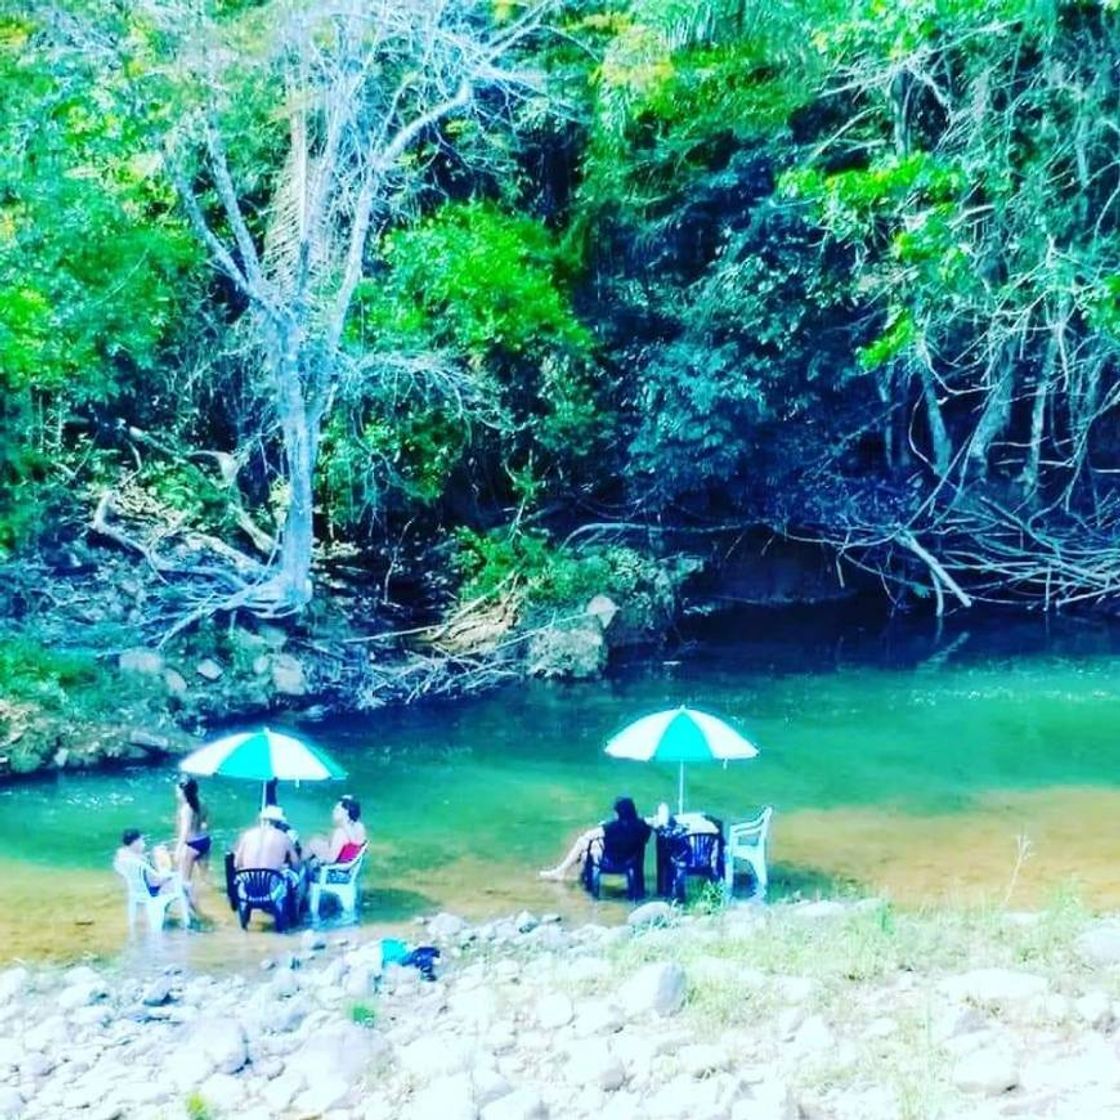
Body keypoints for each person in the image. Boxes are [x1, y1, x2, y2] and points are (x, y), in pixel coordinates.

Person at [539, 796, 651, 880]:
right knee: (588, 848)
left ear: (618, 813)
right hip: (630, 861)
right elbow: (650, 823)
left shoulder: (613, 827)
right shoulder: (643, 826)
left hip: (610, 861)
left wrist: (603, 826)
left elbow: (589, 835)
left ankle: (561, 871)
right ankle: (566, 872)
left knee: (583, 843)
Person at [234, 805, 306, 912]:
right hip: (272, 890)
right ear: (278, 822)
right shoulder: (284, 837)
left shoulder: (247, 835)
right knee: (302, 873)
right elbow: (296, 865)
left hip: (248, 890)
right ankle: (295, 913)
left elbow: (236, 864)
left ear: (263, 819)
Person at [304, 794, 367, 866]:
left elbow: (331, 859)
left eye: (337, 810)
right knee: (317, 838)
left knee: (312, 843)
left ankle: (296, 867)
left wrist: (318, 859)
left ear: (345, 812)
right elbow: (357, 842)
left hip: (336, 862)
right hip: (345, 857)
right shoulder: (358, 826)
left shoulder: (341, 832)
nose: (333, 811)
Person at [114, 828, 176, 897]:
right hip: (151, 893)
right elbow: (154, 883)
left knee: (158, 854)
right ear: (135, 842)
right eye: (141, 840)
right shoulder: (140, 861)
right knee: (178, 881)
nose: (143, 843)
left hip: (135, 892)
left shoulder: (121, 856)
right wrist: (168, 874)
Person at [174, 777, 210, 888]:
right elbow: (206, 822)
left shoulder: (186, 809)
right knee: (204, 880)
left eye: (177, 790)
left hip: (191, 845)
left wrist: (178, 850)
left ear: (182, 792)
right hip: (205, 841)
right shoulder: (202, 803)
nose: (176, 793)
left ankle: (189, 904)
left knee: (185, 881)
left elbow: (185, 830)